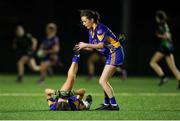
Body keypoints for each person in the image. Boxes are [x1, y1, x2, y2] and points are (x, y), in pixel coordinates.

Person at [75, 10, 124, 110]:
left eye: (85, 21)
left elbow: (101, 45)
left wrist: (85, 44)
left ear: (92, 20)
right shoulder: (91, 31)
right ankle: (107, 104)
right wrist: (82, 47)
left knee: (102, 81)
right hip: (110, 54)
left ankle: (114, 105)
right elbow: (92, 47)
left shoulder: (100, 28)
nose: (83, 24)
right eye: (82, 22)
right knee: (104, 81)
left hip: (115, 52)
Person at [149, 10, 180, 89]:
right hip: (169, 47)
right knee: (173, 67)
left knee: (152, 62)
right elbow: (169, 36)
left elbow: (167, 36)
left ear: (158, 18)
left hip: (165, 47)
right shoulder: (165, 24)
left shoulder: (162, 24)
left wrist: (159, 35)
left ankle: (163, 77)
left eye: (156, 18)